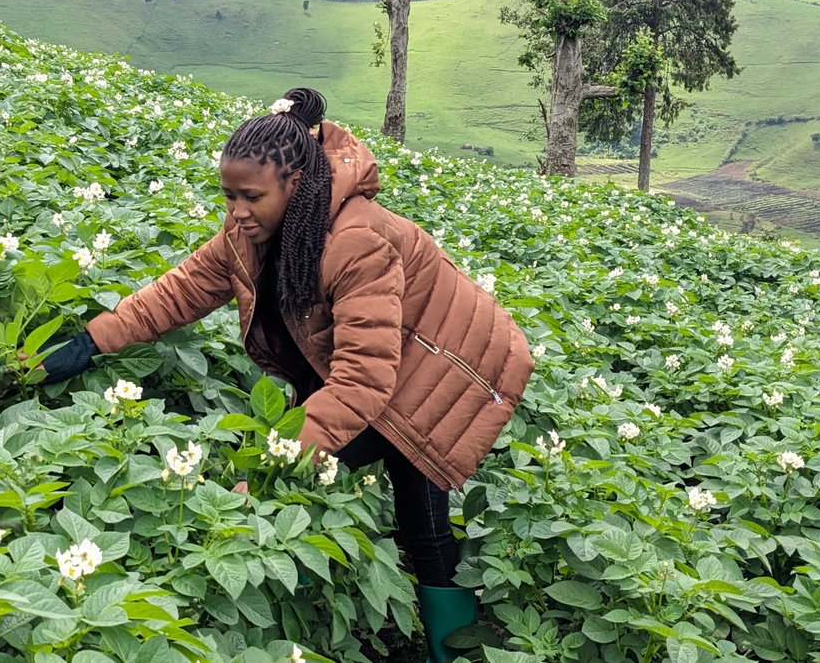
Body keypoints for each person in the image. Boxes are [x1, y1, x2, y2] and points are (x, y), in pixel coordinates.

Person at [27, 87, 534, 662]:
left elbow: (364, 382)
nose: (237, 212)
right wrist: (86, 343)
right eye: (228, 196)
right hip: (382, 363)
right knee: (332, 470)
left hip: (448, 366)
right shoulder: (249, 234)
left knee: (421, 510)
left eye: (251, 197)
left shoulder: (356, 239)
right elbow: (179, 292)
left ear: (296, 185)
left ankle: (454, 651)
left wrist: (278, 459)